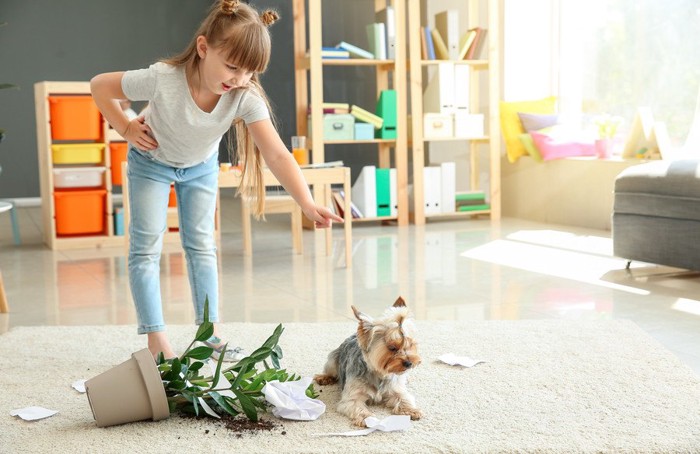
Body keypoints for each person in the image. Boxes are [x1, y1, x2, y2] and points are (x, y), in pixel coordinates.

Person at [90, 0, 342, 361]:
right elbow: (100, 86)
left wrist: (306, 202)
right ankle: (156, 339)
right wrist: (126, 127)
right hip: (151, 162)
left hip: (199, 167)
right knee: (145, 248)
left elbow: (277, 155)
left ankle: (209, 335)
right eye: (232, 66)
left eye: (249, 72)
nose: (238, 79)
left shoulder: (243, 96)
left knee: (201, 248)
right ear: (204, 47)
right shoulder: (163, 78)